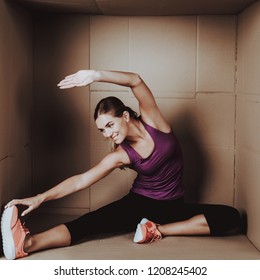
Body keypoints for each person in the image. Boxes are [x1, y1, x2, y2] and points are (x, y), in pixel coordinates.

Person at [1, 70, 241, 260]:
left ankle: (157, 229)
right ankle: (27, 244)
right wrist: (41, 197)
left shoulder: (153, 121)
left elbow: (135, 80)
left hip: (174, 207)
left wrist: (95, 75)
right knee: (89, 223)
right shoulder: (121, 155)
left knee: (229, 217)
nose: (107, 134)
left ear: (125, 116)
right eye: (102, 130)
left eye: (110, 126)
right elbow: (81, 180)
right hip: (139, 203)